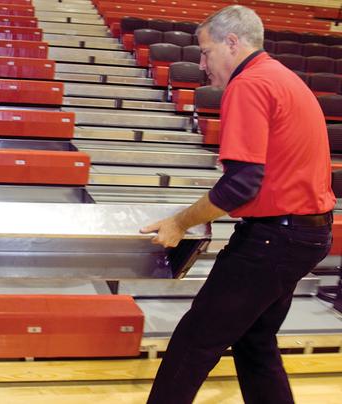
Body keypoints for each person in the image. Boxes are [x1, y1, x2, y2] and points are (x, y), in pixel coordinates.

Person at [141, 6, 335, 404]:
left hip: (275, 239)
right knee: (254, 341)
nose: (201, 64)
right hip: (307, 234)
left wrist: (179, 222)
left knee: (194, 343)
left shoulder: (249, 84)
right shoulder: (283, 78)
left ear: (233, 42)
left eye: (206, 52)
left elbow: (240, 186)